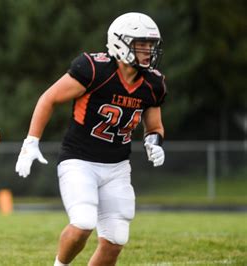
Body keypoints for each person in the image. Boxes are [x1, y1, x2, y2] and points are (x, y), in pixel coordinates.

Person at [15, 12, 166, 265]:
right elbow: (48, 98)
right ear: (121, 42)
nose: (148, 51)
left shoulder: (153, 83)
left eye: (150, 45)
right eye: (141, 44)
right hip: (80, 161)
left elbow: (155, 126)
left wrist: (154, 142)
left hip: (117, 166)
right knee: (83, 222)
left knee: (116, 239)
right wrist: (31, 141)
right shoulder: (94, 69)